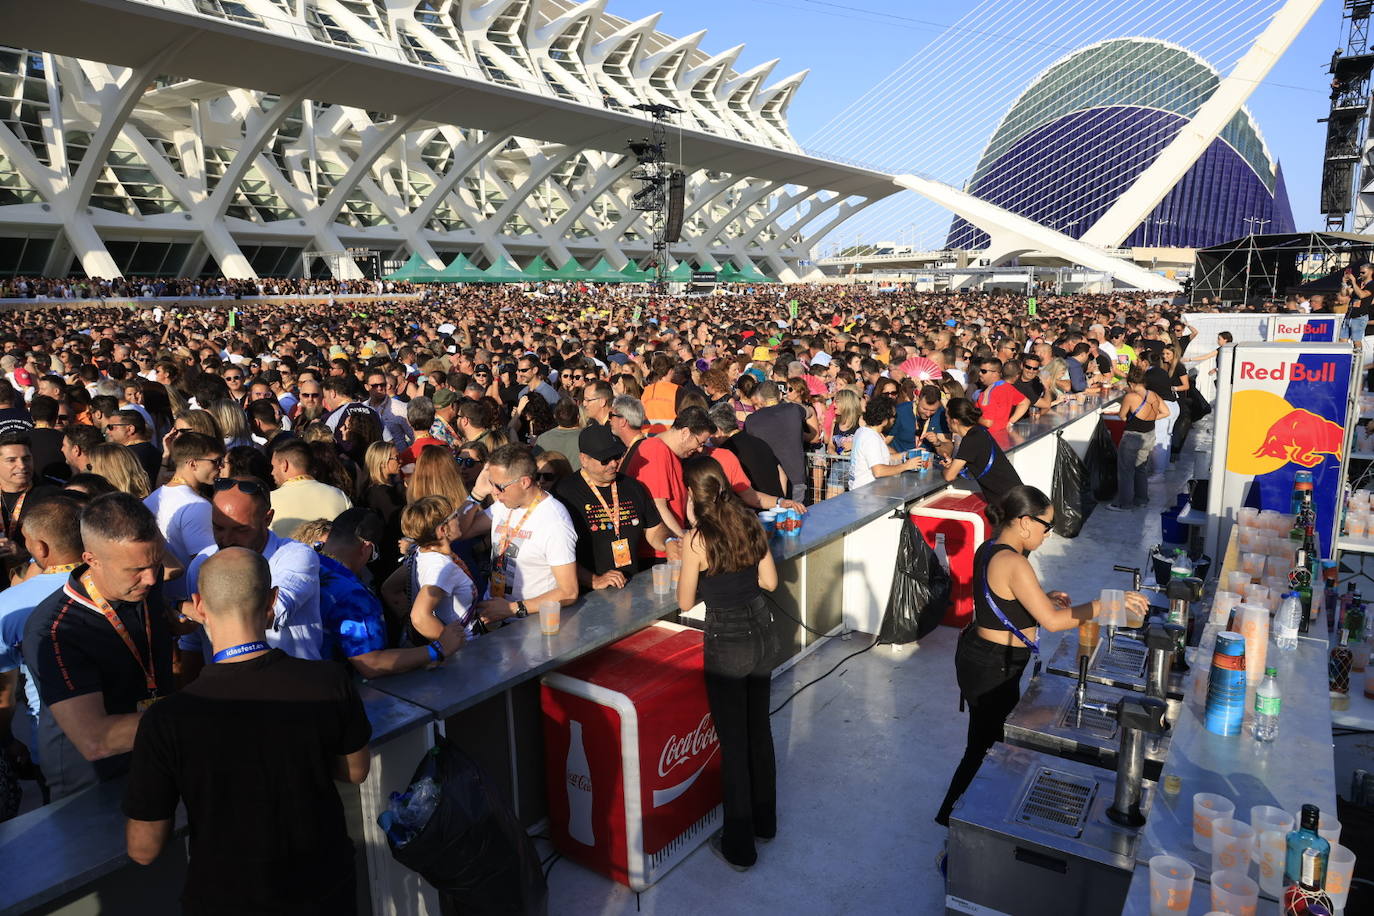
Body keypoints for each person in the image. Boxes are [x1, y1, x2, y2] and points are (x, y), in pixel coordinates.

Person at [122, 548, 372, 915]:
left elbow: (143, 849)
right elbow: (355, 770)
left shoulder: (167, 719)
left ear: (199, 605)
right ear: (271, 602)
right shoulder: (327, 680)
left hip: (226, 897)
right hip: (324, 887)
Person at [22, 492, 174, 801]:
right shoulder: (55, 628)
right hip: (93, 783)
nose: (151, 578)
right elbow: (95, 739)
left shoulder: (144, 585)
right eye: (135, 570)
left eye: (156, 564)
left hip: (156, 753)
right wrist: (197, 713)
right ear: (91, 560)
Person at [676, 458, 779, 871]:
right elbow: (770, 582)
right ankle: (765, 822)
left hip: (728, 641)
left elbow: (685, 602)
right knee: (759, 731)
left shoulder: (697, 540)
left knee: (734, 745)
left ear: (692, 495)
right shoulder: (750, 521)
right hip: (762, 631)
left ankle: (740, 845)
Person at [181, 476, 324, 664]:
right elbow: (193, 643)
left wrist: (179, 606)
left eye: (241, 530)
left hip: (290, 687)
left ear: (268, 518)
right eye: (218, 528)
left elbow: (267, 616)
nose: (227, 538)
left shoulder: (296, 556)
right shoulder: (202, 562)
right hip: (224, 688)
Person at [0, 494, 85, 802]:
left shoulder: (9, 603)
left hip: (54, 744)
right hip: (125, 731)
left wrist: (7, 740)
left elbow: (3, 693)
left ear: (40, 548)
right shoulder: (115, 584)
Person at [318, 508, 464, 676]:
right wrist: (438, 649)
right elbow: (371, 663)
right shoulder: (352, 594)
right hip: (336, 687)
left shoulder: (309, 562)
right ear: (366, 548)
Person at [454, 444, 578, 626]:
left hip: (530, 625)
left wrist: (513, 608)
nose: (494, 492)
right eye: (492, 484)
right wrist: (477, 493)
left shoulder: (554, 521)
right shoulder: (504, 504)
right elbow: (460, 531)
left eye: (499, 486)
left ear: (525, 482)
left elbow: (569, 592)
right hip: (496, 617)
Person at [555, 424, 670, 590]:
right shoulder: (564, 494)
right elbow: (556, 554)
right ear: (584, 459)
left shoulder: (632, 486)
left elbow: (653, 530)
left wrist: (669, 541)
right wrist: (593, 580)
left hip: (631, 585)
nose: (613, 463)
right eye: (605, 459)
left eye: (616, 456)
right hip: (588, 596)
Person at [144, 431, 223, 603]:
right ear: (193, 464)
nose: (220, 467)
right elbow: (207, 565)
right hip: (194, 603)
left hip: (169, 601)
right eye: (215, 462)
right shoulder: (197, 506)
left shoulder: (153, 498)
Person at [625, 405, 714, 545]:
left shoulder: (673, 454)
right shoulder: (656, 451)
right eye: (699, 443)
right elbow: (658, 507)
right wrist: (684, 541)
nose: (700, 449)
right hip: (661, 549)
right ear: (685, 433)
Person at [401, 495, 479, 639]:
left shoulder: (420, 552)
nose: (459, 518)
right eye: (455, 515)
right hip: (467, 651)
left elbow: (389, 589)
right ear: (443, 530)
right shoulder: (442, 567)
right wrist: (449, 644)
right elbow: (419, 616)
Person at [937, 399, 1023, 506]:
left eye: (946, 417)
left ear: (955, 421)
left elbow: (949, 476)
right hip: (1017, 495)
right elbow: (978, 458)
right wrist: (954, 464)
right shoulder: (979, 431)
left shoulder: (970, 440)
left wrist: (945, 469)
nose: (946, 421)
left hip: (1008, 501)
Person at [1106, 365, 1165, 511]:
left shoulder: (1130, 397)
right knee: (1140, 468)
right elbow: (1166, 412)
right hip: (1149, 435)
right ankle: (1141, 499)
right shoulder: (1153, 395)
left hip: (1133, 437)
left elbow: (1121, 415)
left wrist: (1137, 418)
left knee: (1126, 471)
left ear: (1131, 383)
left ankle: (1124, 504)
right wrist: (1148, 418)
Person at [745, 381, 815, 502]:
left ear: (760, 398)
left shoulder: (751, 420)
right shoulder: (793, 409)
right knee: (798, 517)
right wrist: (786, 400)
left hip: (768, 480)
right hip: (796, 477)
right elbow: (810, 412)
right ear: (779, 395)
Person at [267, 438, 352, 538]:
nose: (272, 472)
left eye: (273, 467)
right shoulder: (339, 496)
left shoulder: (269, 500)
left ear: (284, 465)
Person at [849, 395, 922, 489]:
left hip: (863, 491)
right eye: (893, 416)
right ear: (884, 420)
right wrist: (905, 466)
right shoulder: (871, 438)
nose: (895, 419)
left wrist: (907, 454)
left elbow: (883, 457)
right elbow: (878, 471)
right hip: (866, 494)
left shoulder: (863, 431)